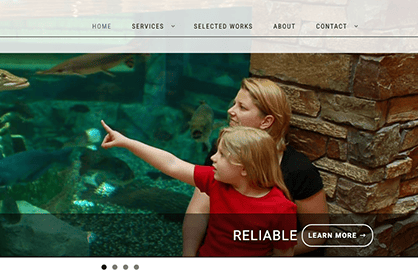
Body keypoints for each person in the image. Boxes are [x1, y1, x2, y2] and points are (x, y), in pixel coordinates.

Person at [101, 121, 298, 256]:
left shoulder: (281, 209)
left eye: (222, 154)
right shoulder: (216, 181)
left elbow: (283, 257)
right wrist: (126, 142)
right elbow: (172, 164)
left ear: (245, 168)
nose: (213, 158)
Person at [183, 78, 329, 257]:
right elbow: (198, 210)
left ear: (267, 121)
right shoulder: (221, 152)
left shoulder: (299, 170)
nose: (230, 111)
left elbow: (317, 233)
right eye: (233, 104)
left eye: (242, 107)